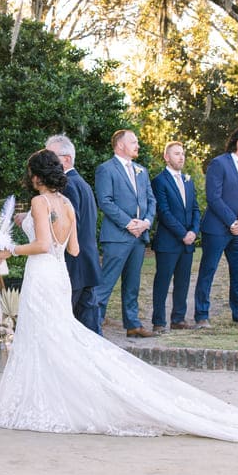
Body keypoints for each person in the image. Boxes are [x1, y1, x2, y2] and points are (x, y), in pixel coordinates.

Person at [0, 150, 238, 447]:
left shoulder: (40, 202)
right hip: (59, 275)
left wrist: (9, 250)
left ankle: (44, 401)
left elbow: (43, 246)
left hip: (43, 275)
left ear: (35, 176)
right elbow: (72, 248)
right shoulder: (68, 204)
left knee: (44, 338)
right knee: (58, 337)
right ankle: (53, 397)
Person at [94, 129, 157, 337]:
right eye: (134, 142)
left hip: (139, 237)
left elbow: (151, 200)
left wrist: (146, 222)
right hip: (117, 237)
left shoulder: (142, 170)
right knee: (106, 283)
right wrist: (129, 223)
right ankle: (94, 324)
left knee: (132, 284)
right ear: (120, 145)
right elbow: (105, 201)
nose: (137, 145)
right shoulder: (106, 169)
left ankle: (133, 324)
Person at [194, 126, 238, 326]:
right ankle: (202, 315)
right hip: (216, 229)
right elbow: (213, 197)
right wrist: (232, 222)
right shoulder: (219, 163)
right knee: (208, 271)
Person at [45, 134, 101, 334]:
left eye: (51, 157)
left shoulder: (67, 184)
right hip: (87, 263)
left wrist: (40, 218)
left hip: (73, 264)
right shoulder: (82, 183)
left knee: (65, 324)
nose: (48, 162)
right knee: (90, 328)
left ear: (66, 159)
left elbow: (69, 224)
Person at [151, 142, 201, 332]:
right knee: (162, 282)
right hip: (168, 242)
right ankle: (159, 322)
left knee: (183, 281)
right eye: (176, 154)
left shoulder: (188, 180)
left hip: (187, 242)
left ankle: (178, 319)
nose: (181, 157)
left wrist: (193, 232)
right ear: (167, 157)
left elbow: (195, 208)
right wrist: (182, 234)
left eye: (183, 154)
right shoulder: (159, 181)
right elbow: (163, 212)